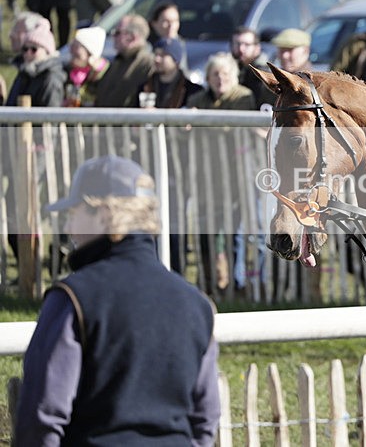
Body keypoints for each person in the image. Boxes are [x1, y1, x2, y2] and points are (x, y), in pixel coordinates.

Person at [14, 155, 220, 445]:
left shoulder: (73, 298)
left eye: (74, 213)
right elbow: (205, 420)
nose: (69, 227)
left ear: (104, 213)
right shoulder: (197, 304)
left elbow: (42, 416)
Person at [188, 52, 255, 292]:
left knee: (234, 232)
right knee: (206, 231)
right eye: (215, 74)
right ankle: (209, 281)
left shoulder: (243, 97)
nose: (220, 79)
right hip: (206, 176)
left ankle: (235, 282)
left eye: (225, 73)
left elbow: (230, 126)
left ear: (234, 76)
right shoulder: (198, 98)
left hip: (237, 175)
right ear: (207, 77)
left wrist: (200, 123)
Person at [93, 14, 154, 108]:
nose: (113, 36)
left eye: (117, 33)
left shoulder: (148, 65)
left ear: (133, 37)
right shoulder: (117, 62)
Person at [4, 23, 65, 107]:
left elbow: (51, 115)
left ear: (47, 52)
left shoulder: (51, 78)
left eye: (34, 49)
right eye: (25, 49)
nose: (28, 53)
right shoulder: (24, 73)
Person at [140, 37, 202, 108]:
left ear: (176, 61)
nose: (157, 59)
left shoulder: (192, 91)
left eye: (163, 55)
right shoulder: (145, 87)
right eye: (156, 54)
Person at [63, 25, 109, 107]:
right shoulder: (67, 73)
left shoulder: (103, 76)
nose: (71, 49)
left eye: (76, 46)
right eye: (72, 44)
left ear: (90, 52)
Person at [230, 26, 272, 110]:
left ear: (257, 48)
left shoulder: (263, 74)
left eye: (247, 45)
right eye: (237, 44)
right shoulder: (227, 70)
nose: (241, 49)